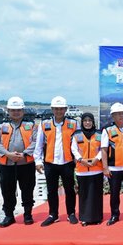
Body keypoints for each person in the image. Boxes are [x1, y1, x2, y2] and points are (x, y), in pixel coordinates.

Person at [0, 96, 37, 227]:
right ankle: (9, 216)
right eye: (13, 110)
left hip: (26, 164)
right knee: (7, 190)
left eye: (18, 110)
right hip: (7, 164)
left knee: (27, 189)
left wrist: (24, 153)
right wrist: (8, 154)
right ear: (8, 110)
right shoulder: (1, 125)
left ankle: (28, 214)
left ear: (23, 110)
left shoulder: (31, 125)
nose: (16, 112)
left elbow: (36, 141)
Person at [34, 96, 79, 227]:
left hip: (68, 162)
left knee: (69, 189)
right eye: (56, 109)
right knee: (51, 190)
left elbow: (78, 142)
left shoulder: (73, 124)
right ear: (52, 109)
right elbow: (39, 143)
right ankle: (53, 214)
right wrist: (38, 160)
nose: (59, 111)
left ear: (65, 109)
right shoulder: (45, 124)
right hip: (50, 162)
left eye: (61, 109)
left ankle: (71, 213)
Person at [71, 113, 103, 226]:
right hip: (82, 170)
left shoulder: (99, 134)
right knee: (84, 195)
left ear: (93, 122)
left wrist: (97, 158)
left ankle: (97, 217)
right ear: (82, 122)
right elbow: (74, 149)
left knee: (96, 195)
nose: (88, 122)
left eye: (90, 120)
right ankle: (85, 218)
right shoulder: (76, 135)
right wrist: (80, 160)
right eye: (85, 120)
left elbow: (103, 148)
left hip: (97, 168)